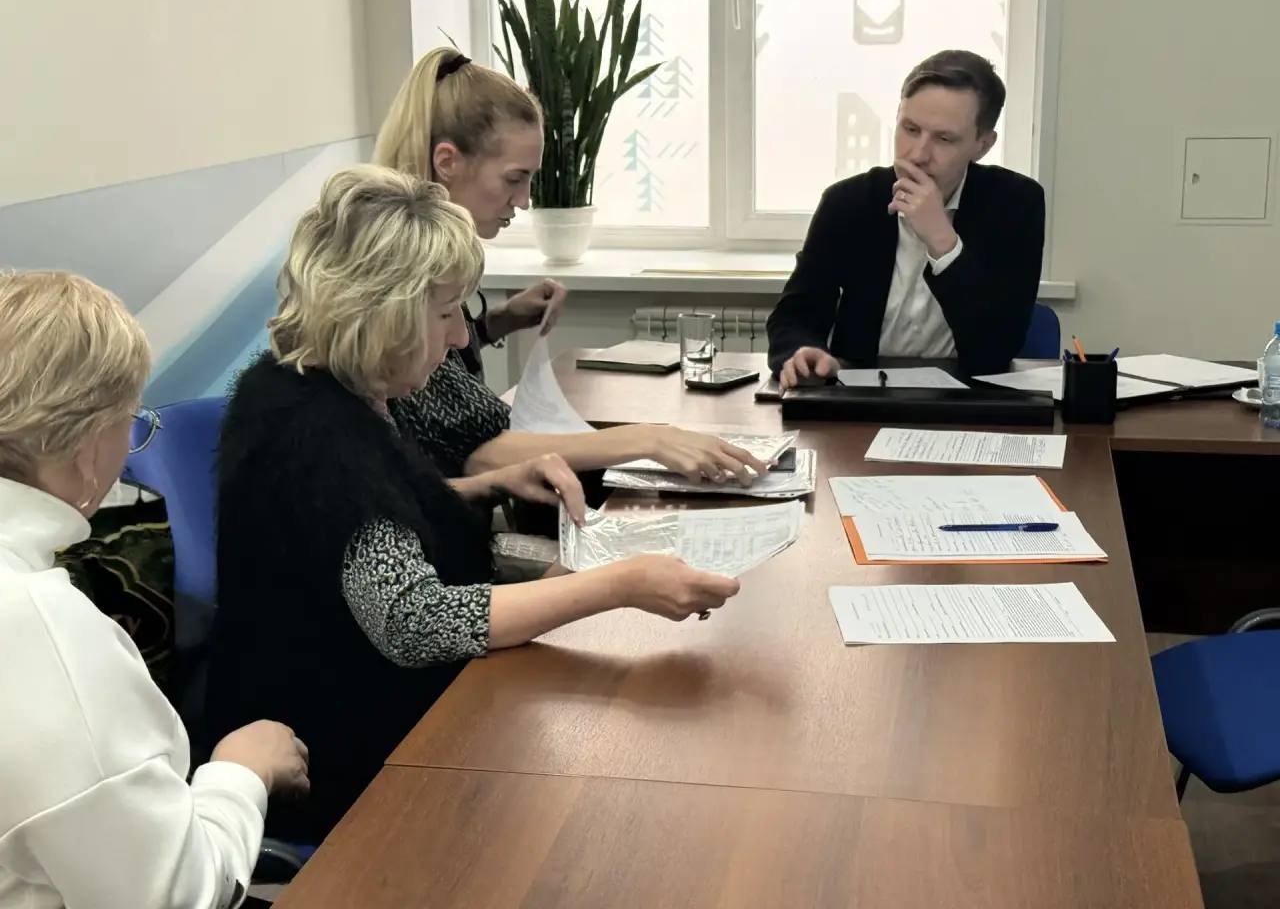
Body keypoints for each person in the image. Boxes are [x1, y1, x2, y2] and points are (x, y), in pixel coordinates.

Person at [205, 166, 742, 840]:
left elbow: (398, 531)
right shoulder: (317, 436)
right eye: (445, 314)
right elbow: (415, 620)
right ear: (383, 313)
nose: (462, 337)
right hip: (335, 762)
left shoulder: (335, 393)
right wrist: (619, 585)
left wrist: (532, 542)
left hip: (371, 708)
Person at [0, 271, 309, 908]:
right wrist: (241, 772)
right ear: (88, 446)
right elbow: (176, 894)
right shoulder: (40, 627)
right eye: (130, 423)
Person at [374, 46, 765, 483]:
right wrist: (648, 439)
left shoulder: (429, 257)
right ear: (447, 162)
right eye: (514, 178)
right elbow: (479, 449)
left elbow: (441, 376)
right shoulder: (399, 269)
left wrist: (499, 321)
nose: (524, 201)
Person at [768, 49, 1046, 387]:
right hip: (863, 395)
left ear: (982, 145)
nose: (918, 154)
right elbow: (794, 315)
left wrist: (943, 242)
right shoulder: (848, 202)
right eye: (910, 129)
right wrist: (803, 353)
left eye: (944, 138)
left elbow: (996, 347)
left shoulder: (1016, 204)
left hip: (969, 397)